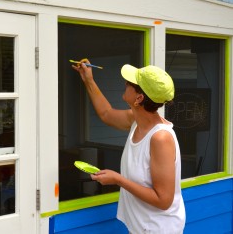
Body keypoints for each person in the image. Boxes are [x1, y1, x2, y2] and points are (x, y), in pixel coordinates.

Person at [72, 59, 186, 234]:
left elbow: (164, 200)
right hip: (143, 226)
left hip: (159, 229)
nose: (125, 83)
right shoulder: (136, 120)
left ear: (139, 98)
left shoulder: (160, 138)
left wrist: (118, 180)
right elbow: (106, 113)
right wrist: (88, 79)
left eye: (130, 83)